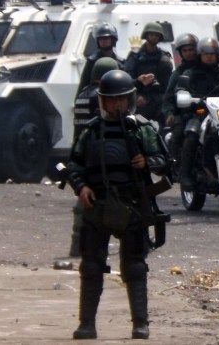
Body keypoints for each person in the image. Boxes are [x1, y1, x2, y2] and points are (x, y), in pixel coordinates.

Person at [66, 70, 168, 340]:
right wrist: (81, 186)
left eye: (122, 99)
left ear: (131, 99)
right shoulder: (91, 131)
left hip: (132, 204)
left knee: (135, 266)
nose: (117, 105)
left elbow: (166, 163)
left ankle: (140, 324)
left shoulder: (143, 129)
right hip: (97, 205)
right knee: (91, 265)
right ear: (103, 102)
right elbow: (72, 164)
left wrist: (147, 162)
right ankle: (86, 323)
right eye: (112, 100)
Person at [68, 57, 120, 257]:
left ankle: (76, 245)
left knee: (83, 197)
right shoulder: (99, 96)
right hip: (99, 151)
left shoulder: (82, 94)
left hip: (81, 151)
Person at [179, 37, 219, 191]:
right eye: (205, 53)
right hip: (200, 113)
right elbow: (182, 89)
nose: (209, 56)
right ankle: (185, 175)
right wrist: (184, 96)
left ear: (217, 55)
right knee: (191, 135)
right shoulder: (191, 73)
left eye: (212, 53)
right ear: (200, 55)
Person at [162, 33, 200, 180]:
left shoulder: (207, 68)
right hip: (184, 113)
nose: (189, 53)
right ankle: (176, 166)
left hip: (206, 111)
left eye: (191, 49)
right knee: (179, 133)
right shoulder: (177, 73)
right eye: (185, 51)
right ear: (181, 53)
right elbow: (168, 98)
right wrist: (169, 113)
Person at [124, 22, 173, 129]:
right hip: (141, 99)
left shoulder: (164, 57)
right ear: (146, 35)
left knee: (168, 130)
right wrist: (136, 95)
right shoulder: (135, 56)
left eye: (157, 35)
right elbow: (126, 81)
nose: (154, 37)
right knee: (136, 129)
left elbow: (169, 84)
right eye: (151, 34)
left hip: (160, 100)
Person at [77, 21, 125, 98]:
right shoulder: (92, 61)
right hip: (95, 98)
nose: (103, 41)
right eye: (101, 39)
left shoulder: (120, 63)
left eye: (106, 38)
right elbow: (84, 84)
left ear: (112, 40)